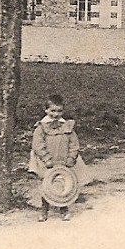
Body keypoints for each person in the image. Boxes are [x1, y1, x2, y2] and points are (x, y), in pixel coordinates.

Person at [29, 94, 81, 222]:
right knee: (47, 184)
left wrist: (71, 157)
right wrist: (46, 158)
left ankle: (64, 209)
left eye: (59, 111)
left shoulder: (68, 126)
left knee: (63, 184)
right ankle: (44, 210)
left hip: (63, 160)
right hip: (47, 162)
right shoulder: (41, 127)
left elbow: (74, 143)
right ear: (46, 110)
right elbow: (37, 144)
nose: (56, 114)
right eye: (52, 110)